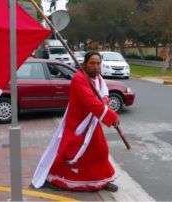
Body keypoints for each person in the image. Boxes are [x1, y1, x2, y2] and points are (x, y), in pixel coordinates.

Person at [32, 51, 120, 192]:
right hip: (78, 124)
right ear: (84, 64)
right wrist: (111, 117)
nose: (96, 67)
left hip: (91, 122)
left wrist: (104, 101)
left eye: (98, 63)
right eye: (92, 63)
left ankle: (102, 180)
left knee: (100, 152)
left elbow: (103, 94)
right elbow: (91, 102)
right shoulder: (79, 79)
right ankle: (54, 178)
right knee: (69, 153)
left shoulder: (98, 78)